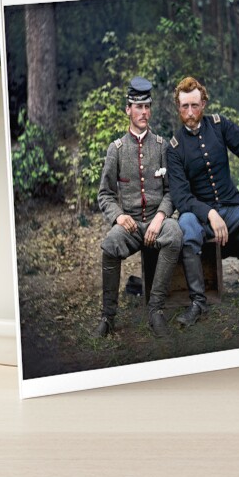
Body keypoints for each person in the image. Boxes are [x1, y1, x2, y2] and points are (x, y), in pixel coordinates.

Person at [166, 76, 239, 325]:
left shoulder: (219, 126)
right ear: (178, 107)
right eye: (184, 106)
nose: (189, 112)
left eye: (194, 105)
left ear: (204, 104)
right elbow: (181, 196)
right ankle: (198, 302)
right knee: (185, 223)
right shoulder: (174, 148)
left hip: (232, 210)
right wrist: (209, 213)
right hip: (201, 218)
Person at [93, 77, 183, 339]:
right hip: (131, 225)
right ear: (128, 110)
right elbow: (105, 194)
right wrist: (119, 216)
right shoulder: (117, 150)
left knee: (175, 233)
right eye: (138, 107)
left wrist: (161, 217)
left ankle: (155, 310)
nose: (144, 112)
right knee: (110, 245)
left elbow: (171, 192)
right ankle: (108, 317)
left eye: (147, 107)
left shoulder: (161, 146)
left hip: (157, 221)